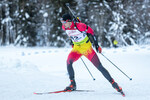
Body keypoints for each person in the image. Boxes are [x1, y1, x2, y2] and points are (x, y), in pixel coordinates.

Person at [60, 13, 123, 93]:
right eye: (62, 22)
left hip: (87, 49)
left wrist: (97, 45)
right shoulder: (64, 27)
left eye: (64, 22)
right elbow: (71, 35)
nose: (63, 24)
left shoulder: (80, 26)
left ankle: (114, 84)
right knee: (68, 62)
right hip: (77, 49)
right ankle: (73, 84)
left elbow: (92, 33)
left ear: (69, 21)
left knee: (99, 67)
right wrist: (73, 43)